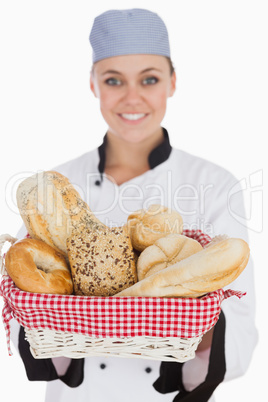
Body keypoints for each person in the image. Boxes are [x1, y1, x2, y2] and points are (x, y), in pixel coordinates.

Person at [11, 8, 257, 402]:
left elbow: (242, 331)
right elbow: (26, 309)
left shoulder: (213, 184)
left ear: (172, 82)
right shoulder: (53, 186)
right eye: (113, 80)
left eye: (149, 79)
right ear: (93, 84)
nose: (132, 97)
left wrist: (184, 310)